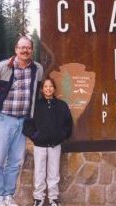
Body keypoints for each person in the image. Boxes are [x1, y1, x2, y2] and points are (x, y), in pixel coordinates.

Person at [0, 36, 43, 206]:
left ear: (32, 50)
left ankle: (8, 195)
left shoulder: (37, 69)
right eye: (21, 47)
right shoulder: (3, 67)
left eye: (28, 48)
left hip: (23, 121)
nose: (25, 50)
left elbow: (36, 91)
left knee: (16, 161)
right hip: (3, 119)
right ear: (16, 49)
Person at [23, 78, 73, 206]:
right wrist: (36, 136)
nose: (48, 88)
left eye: (51, 86)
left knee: (54, 173)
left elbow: (68, 125)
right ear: (42, 89)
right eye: (45, 86)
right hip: (40, 145)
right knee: (39, 172)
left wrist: (60, 136)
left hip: (55, 145)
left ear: (54, 88)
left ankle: (53, 198)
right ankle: (38, 198)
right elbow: (28, 125)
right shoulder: (36, 105)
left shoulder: (62, 105)